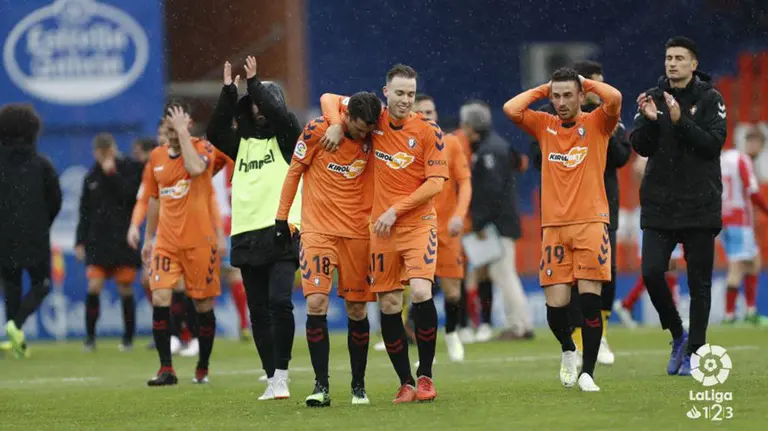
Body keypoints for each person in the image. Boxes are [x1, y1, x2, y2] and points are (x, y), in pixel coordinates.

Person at [320, 64, 448, 403]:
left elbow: (435, 183)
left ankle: (426, 377)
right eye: (400, 93)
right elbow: (329, 97)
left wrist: (396, 209)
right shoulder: (373, 120)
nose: (407, 100)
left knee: (421, 291)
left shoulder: (428, 130)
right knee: (389, 303)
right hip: (381, 230)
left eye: (411, 93)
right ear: (386, 92)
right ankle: (405, 381)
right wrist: (335, 124)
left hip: (417, 224)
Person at [504, 67, 622, 392]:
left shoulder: (598, 123)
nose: (561, 102)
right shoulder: (545, 126)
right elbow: (511, 109)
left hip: (591, 225)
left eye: (568, 95)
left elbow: (615, 98)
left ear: (582, 96)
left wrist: (586, 83)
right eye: (555, 96)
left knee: (589, 303)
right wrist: (543, 89)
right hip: (554, 228)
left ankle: (589, 373)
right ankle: (568, 349)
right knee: (556, 310)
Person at [276, 91, 381, 407]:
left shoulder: (373, 131)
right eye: (360, 128)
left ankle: (358, 386)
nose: (364, 135)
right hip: (318, 232)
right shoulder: (316, 131)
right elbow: (294, 171)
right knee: (316, 304)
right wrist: (281, 218)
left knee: (357, 310)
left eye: (368, 130)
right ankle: (320, 386)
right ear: (347, 116)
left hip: (357, 235)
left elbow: (330, 98)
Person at [206, 57, 302, 400]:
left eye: (264, 105)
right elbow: (214, 131)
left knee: (280, 301)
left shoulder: (289, 139)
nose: (260, 111)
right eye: (255, 107)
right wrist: (229, 92)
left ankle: (284, 372)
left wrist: (256, 84)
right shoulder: (241, 144)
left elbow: (281, 116)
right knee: (257, 309)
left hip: (281, 230)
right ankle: (272, 376)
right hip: (246, 234)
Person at [630, 36, 726, 376]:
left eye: (679, 58)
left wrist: (679, 120)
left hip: (700, 203)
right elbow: (640, 146)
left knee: (699, 284)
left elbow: (712, 145)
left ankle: (696, 353)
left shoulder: (711, 98)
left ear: (693, 64)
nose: (672, 63)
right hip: (660, 203)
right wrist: (651, 121)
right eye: (668, 57)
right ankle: (677, 334)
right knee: (652, 272)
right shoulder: (653, 97)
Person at [531, 60, 631, 364]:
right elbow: (537, 157)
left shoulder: (606, 121)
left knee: (604, 279)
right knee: (564, 291)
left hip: (601, 208)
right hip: (560, 215)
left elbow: (622, 156)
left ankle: (599, 340)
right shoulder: (549, 125)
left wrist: (587, 87)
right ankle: (573, 339)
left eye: (592, 84)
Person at [142, 103, 229, 386]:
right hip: (166, 242)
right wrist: (147, 238)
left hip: (199, 242)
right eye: (166, 130)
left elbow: (194, 168)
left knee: (202, 304)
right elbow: (154, 199)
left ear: (186, 125)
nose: (168, 136)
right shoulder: (155, 157)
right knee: (160, 297)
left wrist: (183, 133)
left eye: (174, 129)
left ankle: (202, 365)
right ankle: (166, 368)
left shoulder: (202, 148)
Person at [462, 101, 533, 341]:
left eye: (466, 125)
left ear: (472, 126)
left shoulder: (488, 150)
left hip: (499, 224)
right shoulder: (495, 145)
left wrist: (480, 223)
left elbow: (490, 191)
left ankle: (519, 325)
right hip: (504, 221)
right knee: (504, 273)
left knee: (504, 274)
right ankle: (521, 323)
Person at [413, 93, 472, 362]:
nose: (428, 116)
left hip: (447, 229)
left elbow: (465, 183)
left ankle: (451, 334)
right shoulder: (405, 145)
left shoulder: (451, 144)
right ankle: (427, 346)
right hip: (415, 230)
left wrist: (459, 215)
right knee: (419, 292)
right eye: (422, 112)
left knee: (452, 292)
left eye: (431, 111)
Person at [0, 103, 62, 359]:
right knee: (42, 283)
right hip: (35, 234)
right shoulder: (41, 164)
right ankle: (17, 327)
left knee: (11, 286)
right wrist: (42, 222)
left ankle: (15, 339)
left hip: (3, 236)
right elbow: (55, 200)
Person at [75, 133, 143, 352]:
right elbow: (84, 212)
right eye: (100, 152)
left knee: (125, 287)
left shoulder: (130, 169)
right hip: (98, 241)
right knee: (94, 286)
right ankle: (90, 338)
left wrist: (112, 174)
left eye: (108, 151)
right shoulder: (91, 177)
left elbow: (131, 197)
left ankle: (128, 338)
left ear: (114, 149)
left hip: (122, 240)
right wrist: (80, 241)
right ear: (95, 152)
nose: (104, 156)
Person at [613, 155, 682, 328]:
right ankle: (628, 305)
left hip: (672, 211)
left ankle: (629, 305)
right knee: (656, 265)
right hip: (654, 213)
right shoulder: (653, 147)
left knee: (671, 265)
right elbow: (638, 169)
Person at [720, 126, 768, 323]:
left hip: (724, 218)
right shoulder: (743, 160)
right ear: (752, 143)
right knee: (737, 266)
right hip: (740, 220)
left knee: (753, 262)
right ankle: (730, 315)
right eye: (759, 145)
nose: (759, 150)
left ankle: (749, 310)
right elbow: (753, 192)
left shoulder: (725, 158)